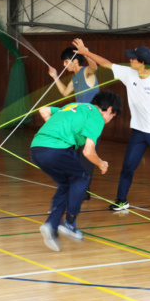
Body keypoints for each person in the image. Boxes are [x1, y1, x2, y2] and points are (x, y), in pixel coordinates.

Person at [72, 38, 150, 211]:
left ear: (142, 63)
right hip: (139, 131)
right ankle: (122, 200)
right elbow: (106, 64)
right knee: (128, 166)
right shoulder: (129, 73)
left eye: (133, 58)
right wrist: (85, 52)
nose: (130, 60)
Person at [31, 91, 122, 251]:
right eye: (113, 115)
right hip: (56, 148)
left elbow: (43, 110)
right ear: (108, 109)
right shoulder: (97, 117)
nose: (110, 119)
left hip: (36, 148)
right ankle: (70, 223)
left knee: (66, 185)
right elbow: (88, 152)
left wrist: (56, 128)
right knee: (82, 178)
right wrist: (101, 164)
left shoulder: (73, 106)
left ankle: (51, 225)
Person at [48, 46, 99, 201]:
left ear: (75, 61)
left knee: (86, 156)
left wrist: (85, 52)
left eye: (66, 62)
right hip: (79, 122)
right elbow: (65, 93)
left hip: (90, 122)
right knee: (76, 155)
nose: (64, 65)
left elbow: (95, 66)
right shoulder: (75, 77)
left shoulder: (86, 72)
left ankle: (83, 191)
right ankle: (82, 189)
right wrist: (55, 76)